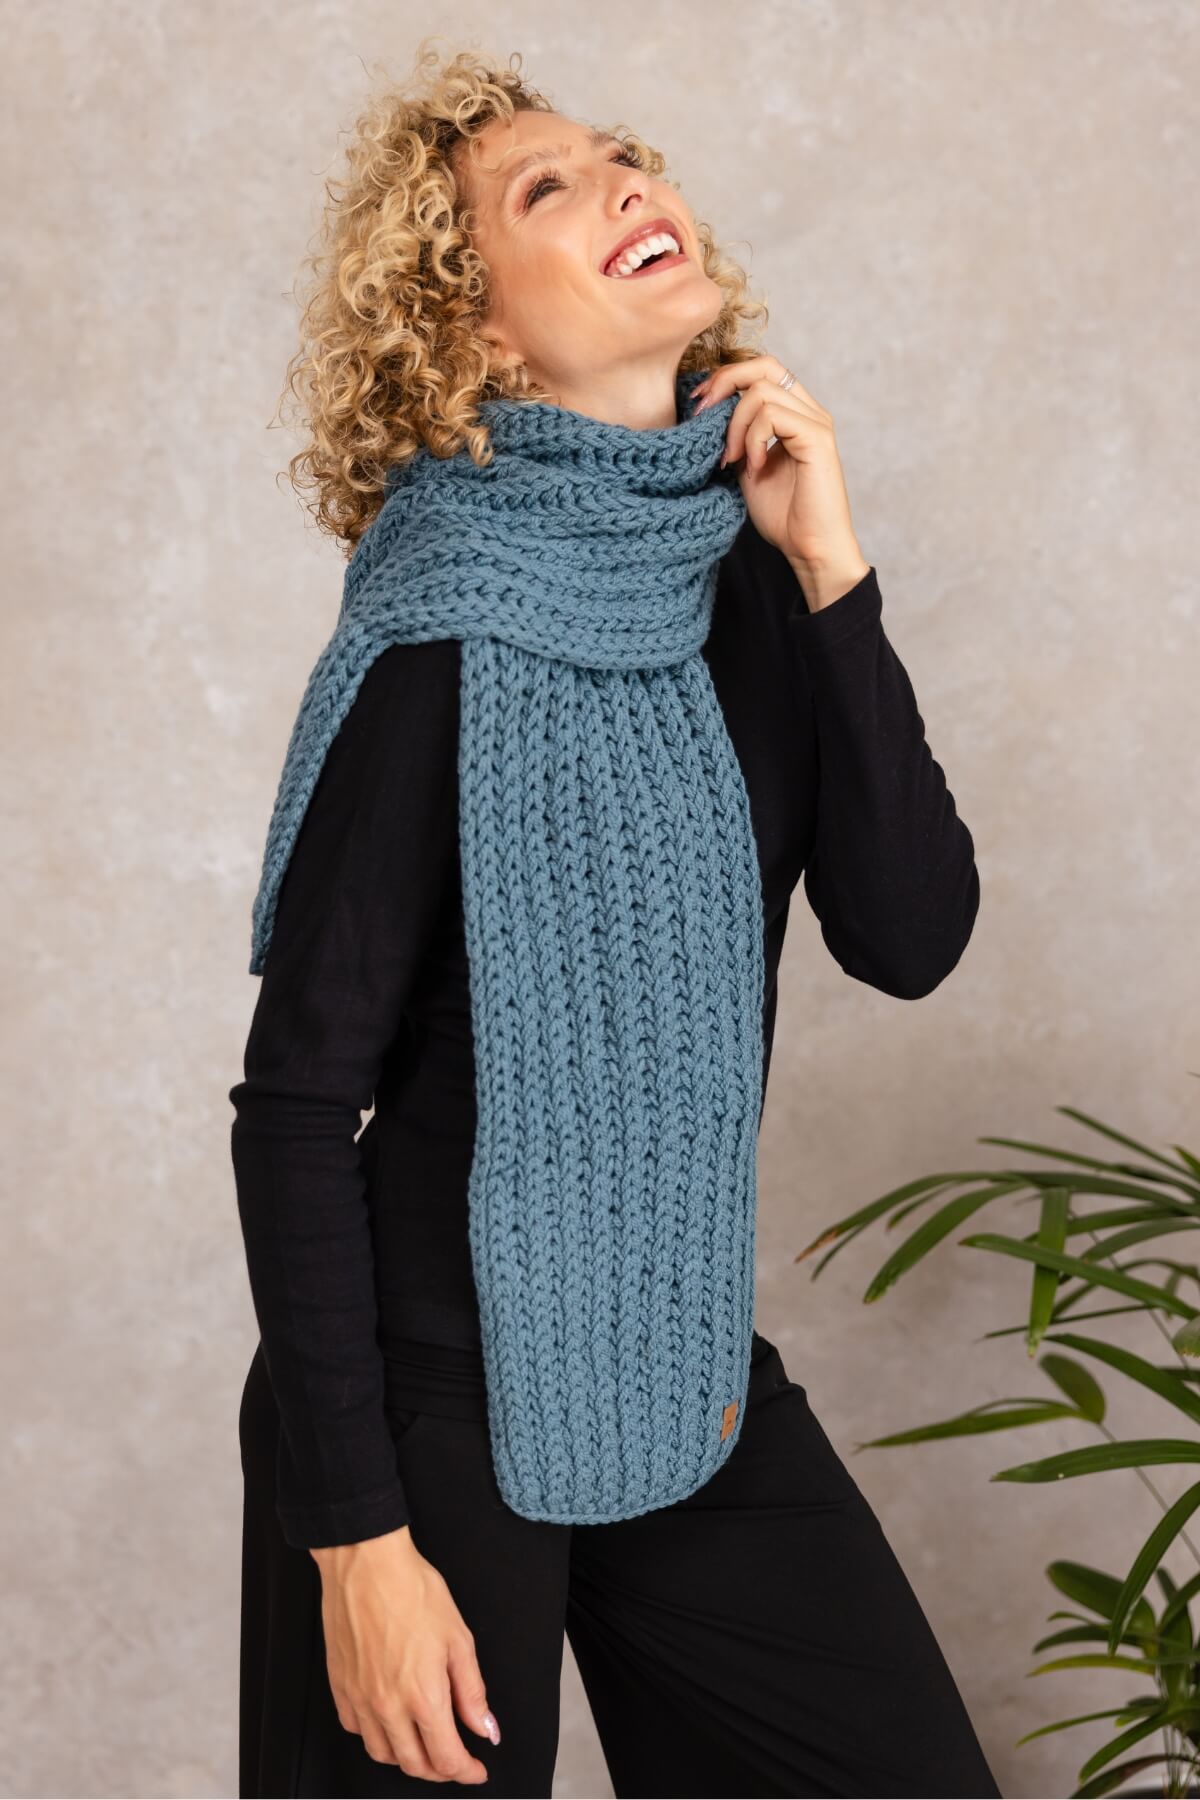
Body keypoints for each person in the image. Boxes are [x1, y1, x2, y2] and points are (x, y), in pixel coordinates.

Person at [230, 41, 1002, 1800]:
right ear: (479, 335)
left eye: (622, 158)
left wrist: (832, 575)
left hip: (674, 1360)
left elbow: (911, 935)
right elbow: (296, 1108)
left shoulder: (750, 583)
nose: (626, 186)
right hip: (420, 1416)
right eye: (547, 191)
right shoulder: (439, 627)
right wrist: (356, 1543)